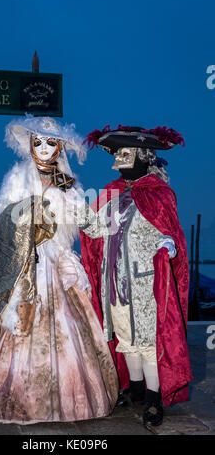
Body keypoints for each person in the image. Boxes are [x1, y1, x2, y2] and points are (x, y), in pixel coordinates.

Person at [0, 115, 118, 425]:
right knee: (20, 322)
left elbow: (84, 218)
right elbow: (1, 220)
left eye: (51, 142)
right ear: (31, 146)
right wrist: (25, 218)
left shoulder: (67, 182)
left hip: (56, 260)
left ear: (60, 146)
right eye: (38, 142)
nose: (44, 148)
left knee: (69, 324)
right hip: (26, 262)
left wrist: (113, 224)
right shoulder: (17, 177)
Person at [79, 124, 193, 428]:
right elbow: (95, 229)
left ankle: (154, 398)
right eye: (116, 156)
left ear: (143, 156)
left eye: (124, 154)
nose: (117, 161)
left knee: (147, 340)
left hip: (145, 283)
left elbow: (170, 233)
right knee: (125, 337)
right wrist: (72, 205)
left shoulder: (160, 194)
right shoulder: (112, 193)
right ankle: (136, 389)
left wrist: (167, 244)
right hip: (113, 282)